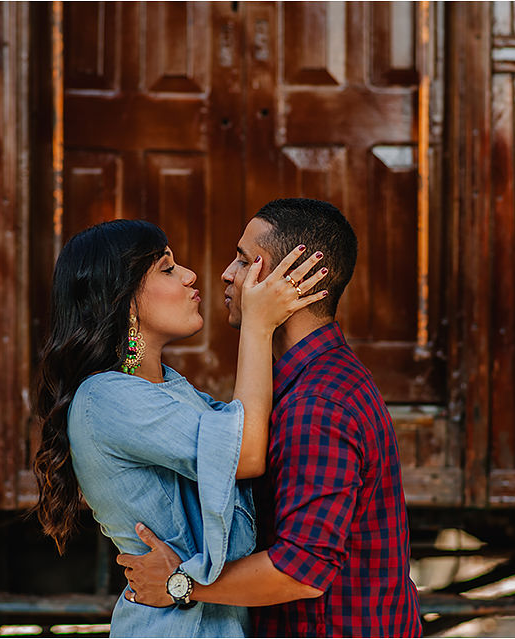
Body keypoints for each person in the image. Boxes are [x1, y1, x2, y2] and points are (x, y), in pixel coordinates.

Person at [117, 199, 423, 637]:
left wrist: (179, 583)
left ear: (291, 281)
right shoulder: (304, 382)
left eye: (243, 261)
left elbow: (301, 570)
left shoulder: (318, 401)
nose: (226, 273)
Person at [31, 219, 328, 637]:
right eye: (167, 269)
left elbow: (242, 428)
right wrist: (259, 328)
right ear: (125, 299)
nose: (191, 276)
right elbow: (244, 455)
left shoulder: (170, 388)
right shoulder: (107, 397)